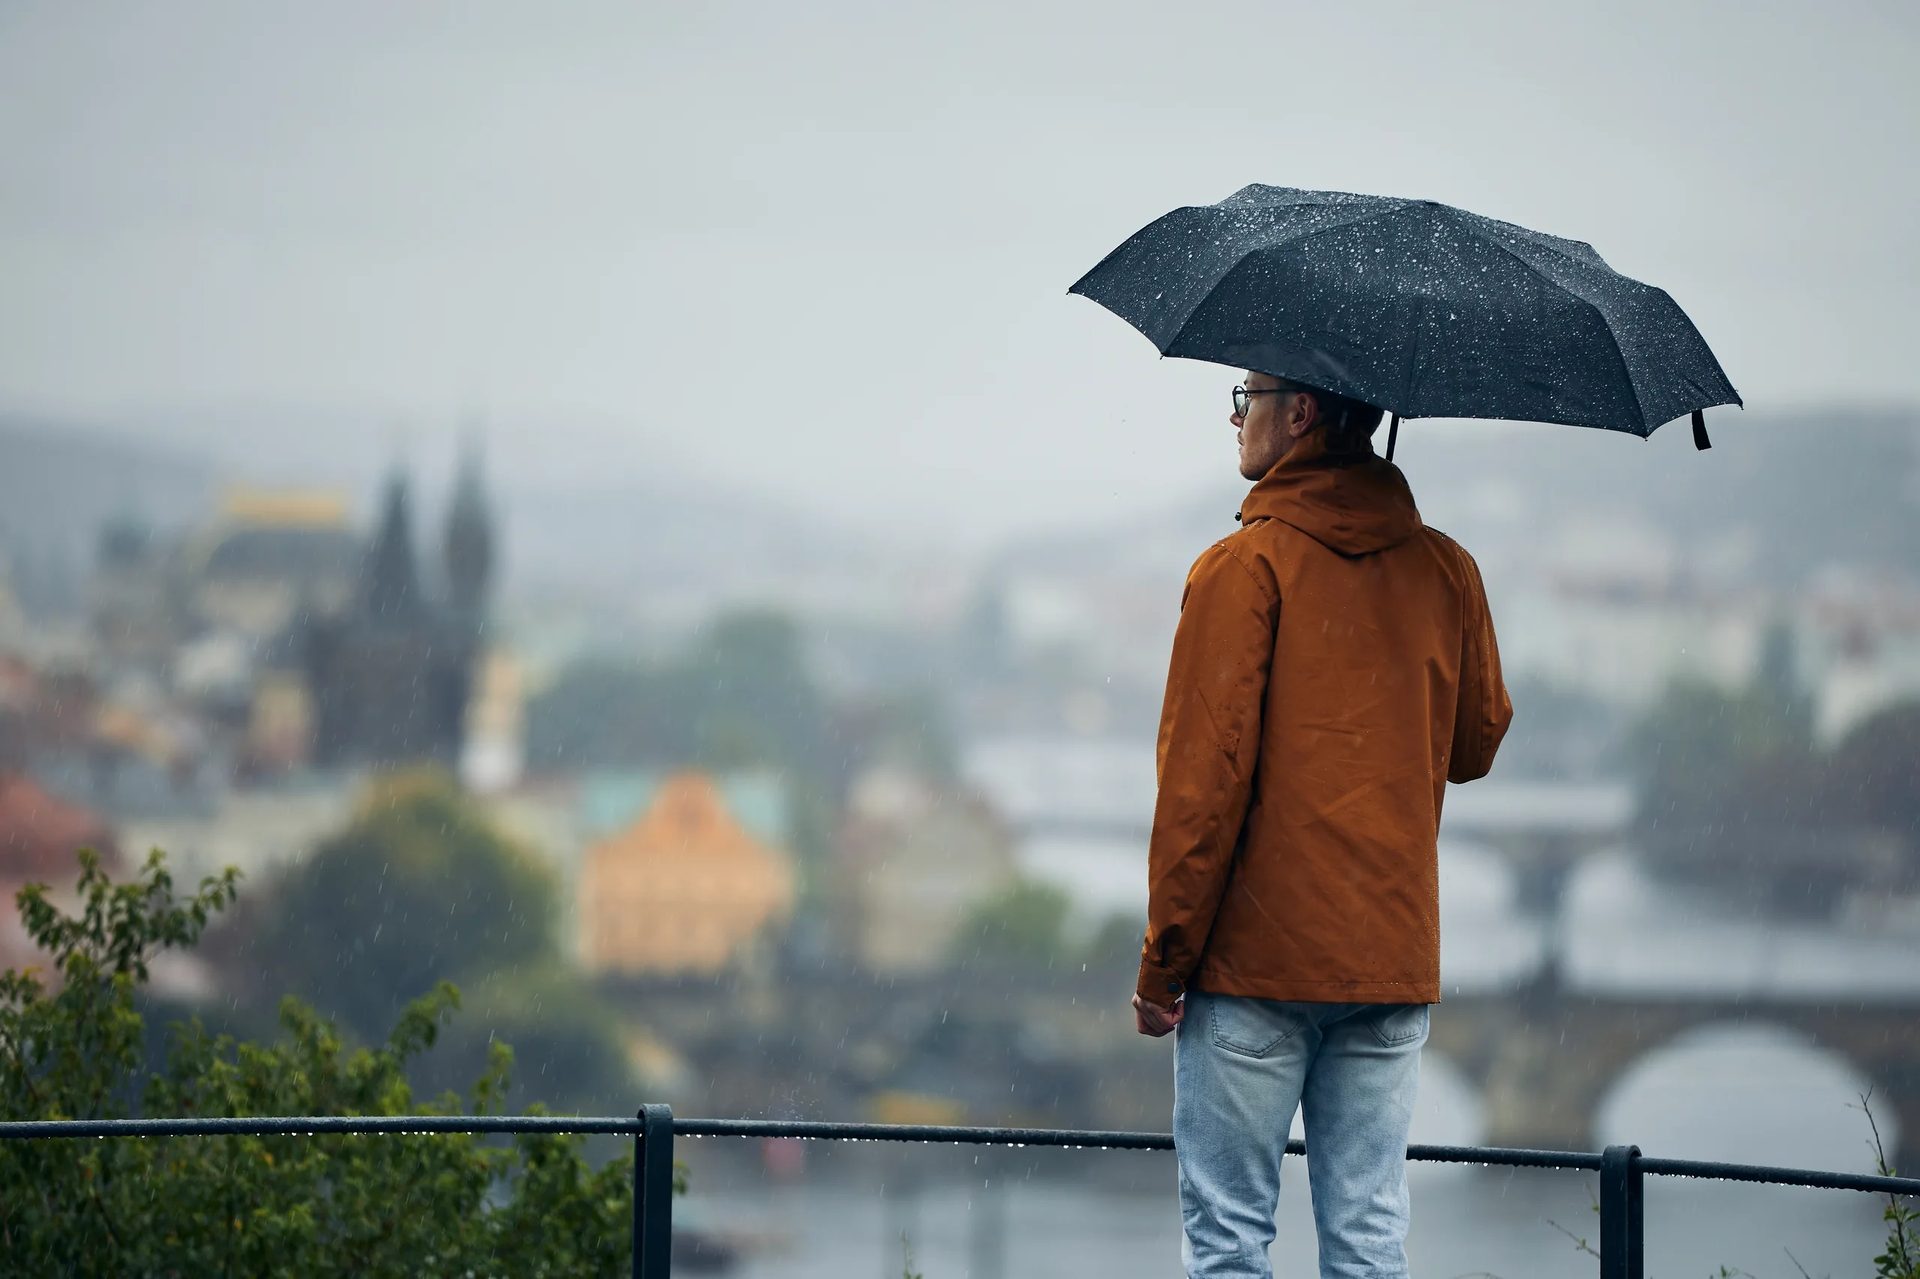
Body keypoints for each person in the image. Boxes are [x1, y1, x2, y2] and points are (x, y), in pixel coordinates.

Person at [1131, 370, 1512, 1278]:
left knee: (1230, 1241)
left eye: (1247, 396)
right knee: (1370, 1236)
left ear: (1300, 413)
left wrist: (1162, 964)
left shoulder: (1243, 567)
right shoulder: (1446, 567)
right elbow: (1475, 743)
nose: (1234, 417)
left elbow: (1200, 791)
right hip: (1387, 959)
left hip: (1255, 964)